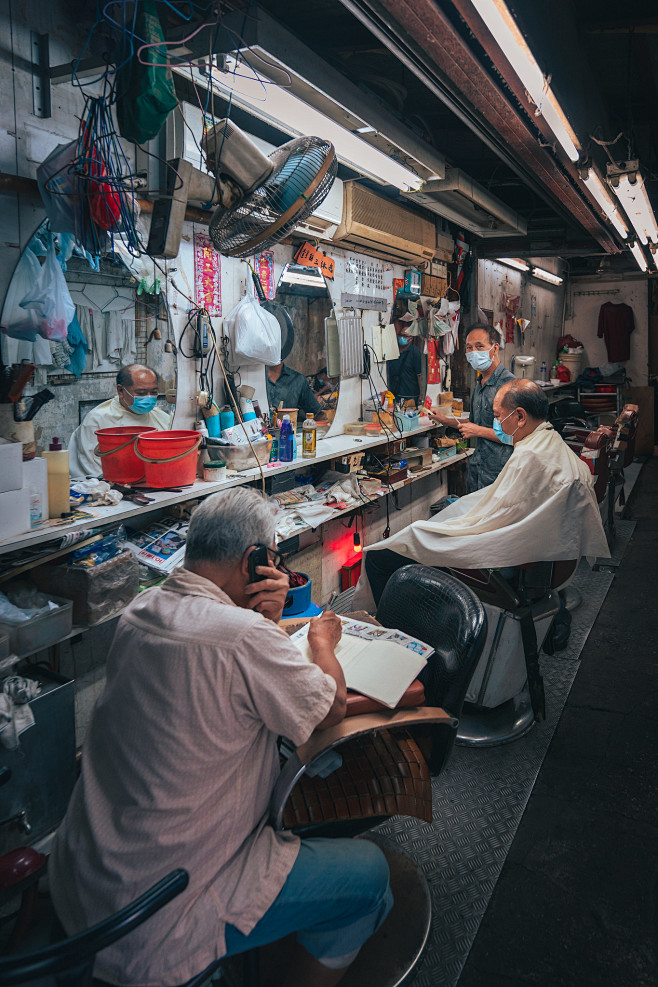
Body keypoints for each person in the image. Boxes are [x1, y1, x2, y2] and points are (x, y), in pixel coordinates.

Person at [50, 488, 392, 987]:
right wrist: (321, 642)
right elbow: (330, 707)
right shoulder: (242, 637)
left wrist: (266, 621)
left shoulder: (142, 609)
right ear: (256, 560)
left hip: (87, 882)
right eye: (271, 557)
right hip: (164, 910)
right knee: (371, 877)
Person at [354, 379, 609, 611]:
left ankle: (396, 626)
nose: (496, 423)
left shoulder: (530, 456)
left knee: (381, 554)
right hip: (539, 551)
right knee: (435, 525)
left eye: (498, 416)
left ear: (520, 416)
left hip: (508, 556)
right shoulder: (548, 440)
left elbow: (495, 520)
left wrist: (456, 528)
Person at [430, 323, 515, 491]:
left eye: (479, 346)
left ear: (495, 348)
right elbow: (476, 422)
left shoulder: (509, 385)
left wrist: (477, 431)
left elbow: (514, 435)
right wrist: (445, 420)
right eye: (469, 347)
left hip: (500, 471)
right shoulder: (480, 385)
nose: (473, 352)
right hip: (478, 467)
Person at [68, 363, 171, 477]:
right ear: (121, 391)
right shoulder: (97, 420)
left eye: (153, 393)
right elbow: (93, 469)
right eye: (141, 393)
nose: (148, 397)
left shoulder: (162, 418)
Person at [387, 314, 423, 406]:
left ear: (411, 339)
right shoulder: (393, 350)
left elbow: (420, 376)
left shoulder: (415, 352)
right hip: (395, 394)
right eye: (401, 335)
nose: (402, 338)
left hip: (410, 396)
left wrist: (421, 395)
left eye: (405, 336)